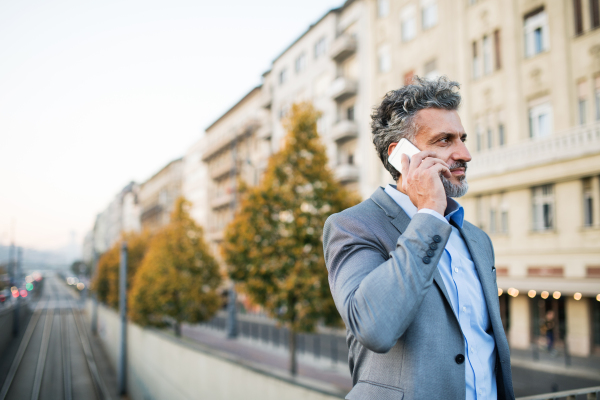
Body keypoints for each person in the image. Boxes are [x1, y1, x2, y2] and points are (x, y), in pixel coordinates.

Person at [323, 77, 515, 400]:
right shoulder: (352, 226)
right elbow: (374, 327)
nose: (465, 154)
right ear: (401, 156)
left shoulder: (478, 239)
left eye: (463, 139)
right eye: (444, 140)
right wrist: (428, 213)